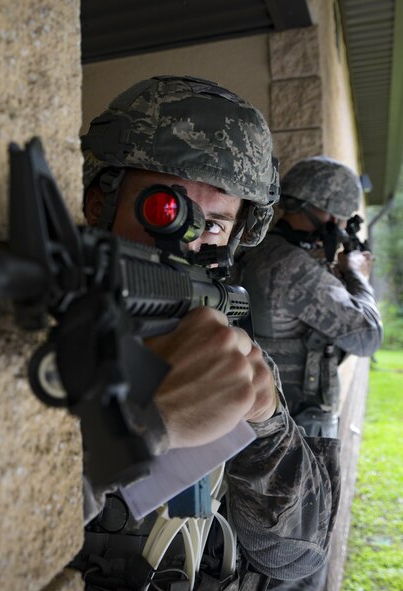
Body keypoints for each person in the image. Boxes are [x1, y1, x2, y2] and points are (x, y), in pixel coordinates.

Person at [71, 76, 341, 591]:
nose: (186, 240)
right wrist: (147, 423)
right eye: (164, 208)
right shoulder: (42, 332)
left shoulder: (220, 342)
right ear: (97, 203)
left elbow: (297, 559)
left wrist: (265, 428)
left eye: (214, 225)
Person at [235, 156, 383, 439]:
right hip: (293, 427)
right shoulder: (289, 265)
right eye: (339, 216)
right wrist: (358, 275)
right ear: (322, 210)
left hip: (272, 419)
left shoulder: (263, 250)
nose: (341, 225)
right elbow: (367, 336)